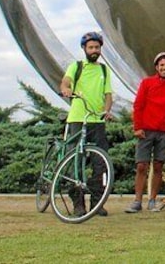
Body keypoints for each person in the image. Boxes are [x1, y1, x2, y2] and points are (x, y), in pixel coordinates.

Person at [125, 51, 165, 213]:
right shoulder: (146, 83)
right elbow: (138, 105)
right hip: (146, 130)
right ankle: (137, 200)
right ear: (156, 67)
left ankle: (152, 200)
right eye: (162, 65)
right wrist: (137, 127)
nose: (164, 68)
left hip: (163, 131)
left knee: (159, 166)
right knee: (141, 166)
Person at [59, 31, 114, 217]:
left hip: (97, 121)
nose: (94, 50)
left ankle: (97, 203)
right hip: (78, 119)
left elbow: (108, 95)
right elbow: (66, 82)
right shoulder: (76, 66)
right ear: (84, 48)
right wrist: (66, 89)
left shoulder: (104, 71)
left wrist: (106, 110)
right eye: (90, 47)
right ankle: (78, 203)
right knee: (77, 161)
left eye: (97, 47)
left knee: (100, 163)